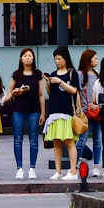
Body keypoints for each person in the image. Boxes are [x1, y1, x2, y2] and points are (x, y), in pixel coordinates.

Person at [6, 48, 45, 180]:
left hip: (34, 110)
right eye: (25, 55)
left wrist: (43, 113)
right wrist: (17, 92)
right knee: (18, 139)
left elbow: (41, 94)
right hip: (18, 110)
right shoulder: (16, 74)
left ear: (33, 58)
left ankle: (32, 168)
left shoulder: (37, 74)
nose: (28, 58)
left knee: (34, 139)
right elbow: (9, 93)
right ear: (21, 58)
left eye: (30, 56)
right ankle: (20, 168)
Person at [43, 47, 80, 181]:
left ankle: (73, 171)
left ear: (65, 59)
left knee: (69, 142)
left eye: (59, 59)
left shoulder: (72, 73)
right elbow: (50, 93)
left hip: (67, 112)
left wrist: (60, 81)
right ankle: (57, 171)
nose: (57, 61)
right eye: (55, 59)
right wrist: (48, 82)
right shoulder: (53, 73)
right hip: (54, 112)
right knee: (56, 142)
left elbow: (73, 90)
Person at [74, 49, 103, 177]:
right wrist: (79, 108)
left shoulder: (98, 74)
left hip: (97, 111)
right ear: (89, 60)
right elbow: (77, 93)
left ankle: (96, 167)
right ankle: (74, 166)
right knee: (81, 140)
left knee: (97, 139)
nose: (97, 60)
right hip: (85, 113)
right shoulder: (80, 74)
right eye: (95, 58)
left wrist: (97, 105)